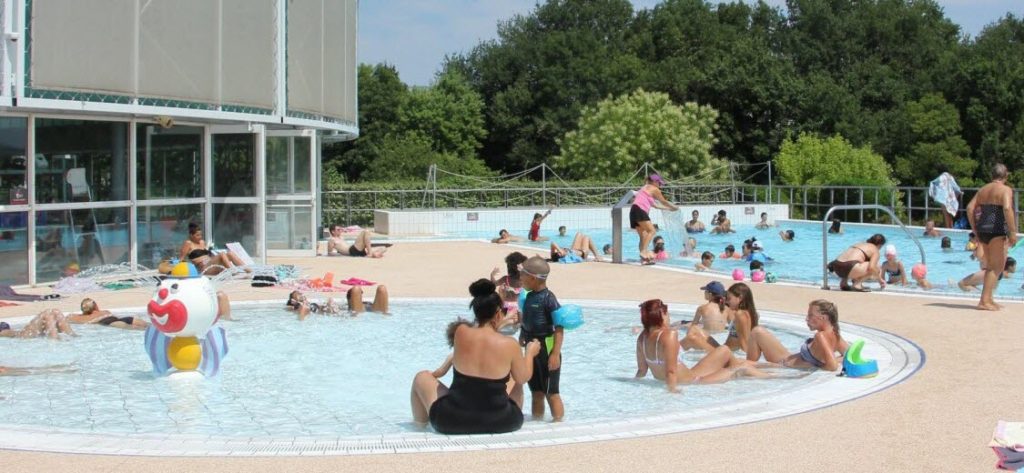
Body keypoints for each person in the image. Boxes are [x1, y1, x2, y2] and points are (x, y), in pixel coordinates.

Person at [410, 279, 541, 434]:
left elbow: (481, 336)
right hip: (501, 423)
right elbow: (523, 378)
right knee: (516, 378)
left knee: (421, 377)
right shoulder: (509, 344)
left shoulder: (461, 332)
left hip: (451, 422)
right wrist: (530, 353)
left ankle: (419, 427)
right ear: (498, 313)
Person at [635, 299, 769, 392]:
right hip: (693, 381)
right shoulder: (669, 335)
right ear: (661, 315)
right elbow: (671, 371)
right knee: (741, 369)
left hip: (690, 375)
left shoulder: (642, 338)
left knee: (724, 350)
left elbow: (642, 371)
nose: (669, 317)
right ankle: (775, 377)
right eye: (667, 314)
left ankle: (764, 369)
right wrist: (672, 391)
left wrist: (634, 385)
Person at [518, 256, 565, 421]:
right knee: (536, 391)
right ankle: (537, 420)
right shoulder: (529, 296)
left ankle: (559, 423)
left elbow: (559, 327)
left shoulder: (548, 298)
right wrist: (523, 334)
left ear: (533, 277)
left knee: (551, 392)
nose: (520, 278)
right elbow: (527, 319)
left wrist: (555, 353)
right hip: (531, 346)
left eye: (522, 274)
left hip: (547, 346)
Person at [966, 163, 1018, 311]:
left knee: (991, 267)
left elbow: (970, 208)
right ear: (1006, 175)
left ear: (992, 176)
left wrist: (975, 228)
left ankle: (988, 299)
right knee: (997, 267)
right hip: (996, 230)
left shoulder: (983, 189)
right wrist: (1012, 232)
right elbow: (1007, 208)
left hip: (983, 230)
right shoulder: (1005, 189)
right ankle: (984, 301)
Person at [744, 300, 849, 371]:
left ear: (823, 318)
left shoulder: (821, 336)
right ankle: (751, 365)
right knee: (757, 332)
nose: (807, 319)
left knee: (756, 335)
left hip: (783, 366)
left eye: (810, 315)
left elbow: (832, 366)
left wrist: (813, 367)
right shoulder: (836, 335)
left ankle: (751, 367)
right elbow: (848, 354)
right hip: (786, 360)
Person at [629, 174, 679, 264]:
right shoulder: (654, 189)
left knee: (643, 236)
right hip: (640, 210)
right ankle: (644, 252)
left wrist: (669, 209)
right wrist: (674, 207)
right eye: (659, 183)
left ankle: (643, 260)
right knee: (652, 231)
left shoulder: (645, 188)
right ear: (655, 182)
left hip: (633, 211)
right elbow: (663, 201)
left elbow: (656, 206)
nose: (660, 186)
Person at [681, 281, 732, 352]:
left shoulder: (702, 308)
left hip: (707, 340)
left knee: (688, 327)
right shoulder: (727, 309)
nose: (704, 293)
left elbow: (692, 328)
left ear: (710, 294)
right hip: (721, 339)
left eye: (705, 291)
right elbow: (732, 328)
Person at [179, 222, 246, 274]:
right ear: (191, 235)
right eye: (197, 235)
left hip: (212, 264)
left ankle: (249, 270)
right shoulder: (188, 243)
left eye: (201, 235)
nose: (200, 237)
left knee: (230, 253)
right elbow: (181, 259)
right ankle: (233, 272)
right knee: (222, 254)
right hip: (204, 268)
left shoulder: (202, 242)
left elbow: (208, 255)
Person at [492, 252, 528, 326]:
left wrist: (492, 275)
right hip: (518, 308)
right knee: (516, 321)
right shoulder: (524, 281)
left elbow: (494, 284)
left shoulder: (506, 279)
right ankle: (514, 322)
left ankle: (504, 322)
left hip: (504, 307)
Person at [67, 298, 148, 330]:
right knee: (150, 326)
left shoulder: (84, 318)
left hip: (112, 323)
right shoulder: (105, 312)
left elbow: (70, 318)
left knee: (136, 330)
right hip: (125, 318)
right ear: (95, 306)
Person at [723, 283, 758, 353]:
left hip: (729, 353)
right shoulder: (750, 314)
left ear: (740, 298)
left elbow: (744, 343)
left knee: (695, 333)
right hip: (728, 351)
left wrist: (745, 362)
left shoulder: (740, 314)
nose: (726, 302)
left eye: (729, 298)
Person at [0, 308, 75, 339]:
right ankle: (54, 341)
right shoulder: (3, 332)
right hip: (21, 336)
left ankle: (72, 337)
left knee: (55, 311)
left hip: (20, 333)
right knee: (47, 314)